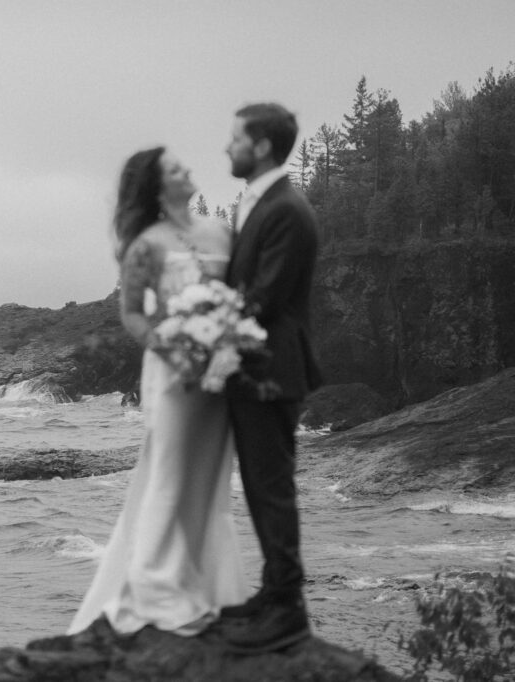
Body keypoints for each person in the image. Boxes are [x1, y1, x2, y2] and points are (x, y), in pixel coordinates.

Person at [67, 146, 248, 638]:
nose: (187, 169)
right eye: (174, 169)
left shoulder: (219, 233)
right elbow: (132, 312)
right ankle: (155, 589)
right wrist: (171, 345)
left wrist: (229, 339)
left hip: (218, 369)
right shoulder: (146, 244)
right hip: (170, 370)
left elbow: (237, 295)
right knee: (168, 470)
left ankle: (206, 585)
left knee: (211, 477)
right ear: (157, 187)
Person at [218, 102, 323, 653]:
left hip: (271, 369)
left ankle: (288, 611)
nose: (226, 148)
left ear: (259, 146)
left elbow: (265, 296)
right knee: (261, 488)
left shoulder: (286, 208)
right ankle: (273, 592)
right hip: (258, 368)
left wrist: (206, 330)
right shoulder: (263, 202)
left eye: (235, 139)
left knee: (272, 487)